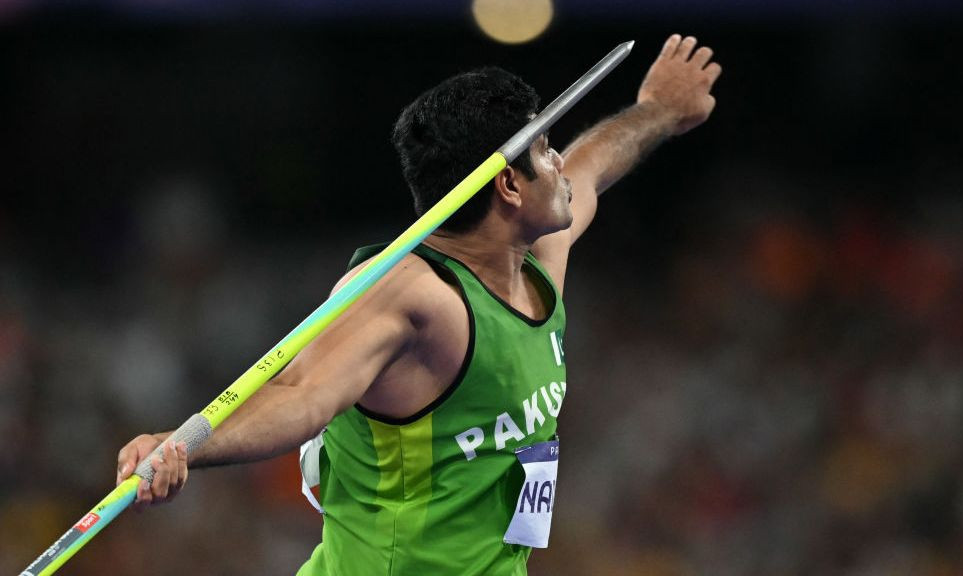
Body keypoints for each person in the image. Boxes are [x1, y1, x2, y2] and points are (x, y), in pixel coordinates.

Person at [115, 33, 721, 575]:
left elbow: (592, 166)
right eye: (543, 150)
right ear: (508, 185)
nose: (560, 160)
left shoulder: (535, 267)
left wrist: (658, 111)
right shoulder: (412, 294)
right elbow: (303, 396)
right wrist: (183, 443)